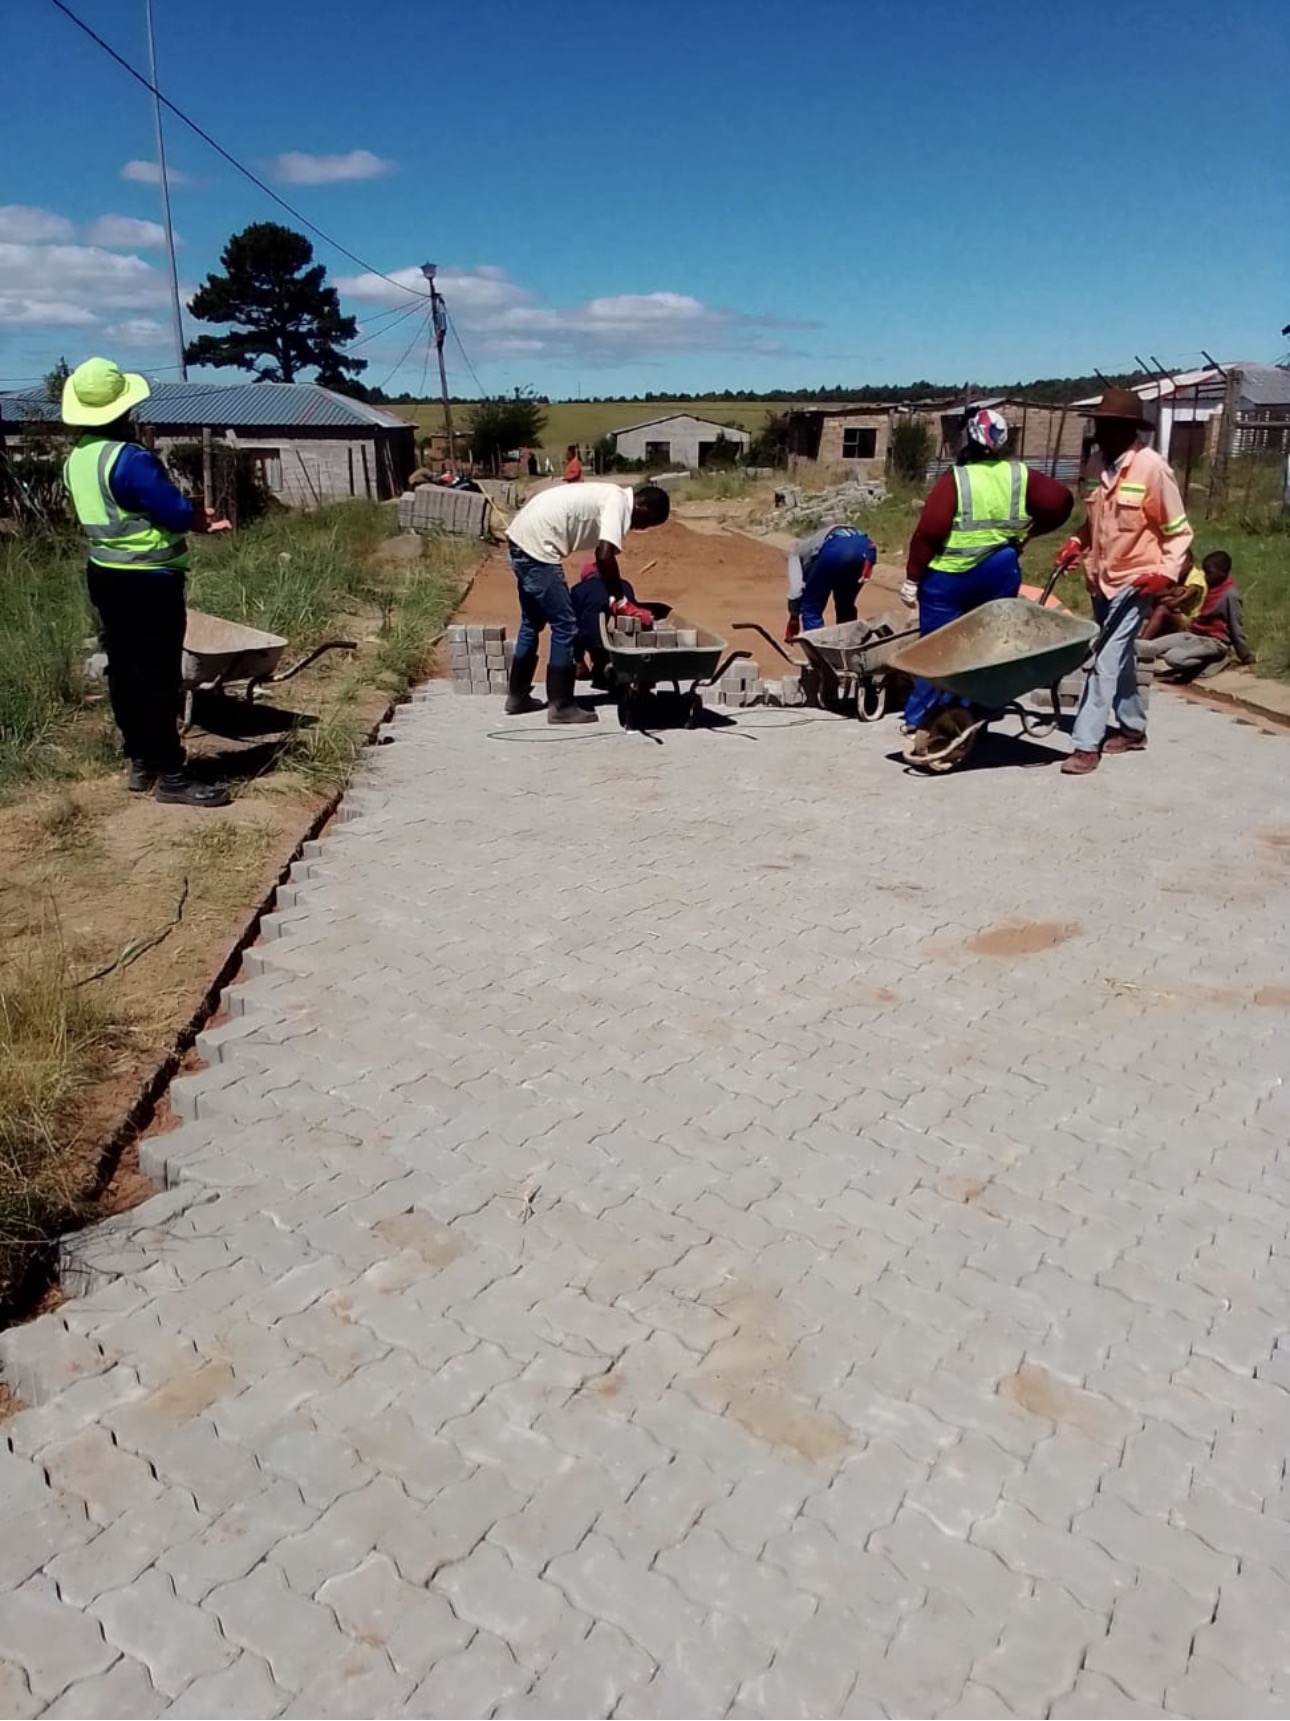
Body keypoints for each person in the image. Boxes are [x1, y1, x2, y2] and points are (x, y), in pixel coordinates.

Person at [61, 357, 229, 808]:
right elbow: (171, 511)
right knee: (156, 676)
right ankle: (173, 775)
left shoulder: (76, 460)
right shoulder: (129, 458)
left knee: (125, 671)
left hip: (105, 575)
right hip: (148, 581)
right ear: (123, 410)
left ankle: (141, 760)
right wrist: (196, 519)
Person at [901, 408, 1074, 733]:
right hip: (999, 572)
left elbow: (930, 532)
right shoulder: (1019, 476)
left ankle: (921, 718)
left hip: (950, 578)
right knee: (986, 642)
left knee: (936, 647)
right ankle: (977, 710)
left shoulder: (957, 478)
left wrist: (912, 577)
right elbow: (1061, 502)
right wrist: (1028, 534)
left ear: (967, 439)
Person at [1062, 388, 1193, 775]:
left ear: (1130, 429)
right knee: (1117, 659)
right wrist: (1075, 542)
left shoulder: (1152, 469)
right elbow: (1095, 522)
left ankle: (1086, 745)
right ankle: (1134, 728)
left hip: (1136, 582)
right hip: (1100, 580)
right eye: (1099, 424)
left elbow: (1179, 532)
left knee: (1104, 658)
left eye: (1109, 426)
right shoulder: (1097, 464)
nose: (1101, 431)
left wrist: (1164, 574)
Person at [503, 481, 671, 723]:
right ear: (642, 504)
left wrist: (615, 597)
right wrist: (623, 602)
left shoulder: (609, 496)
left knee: (532, 621)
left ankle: (517, 697)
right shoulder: (618, 502)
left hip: (521, 540)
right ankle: (561, 707)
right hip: (537, 549)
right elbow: (603, 555)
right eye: (648, 521)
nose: (643, 528)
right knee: (566, 625)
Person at [1138, 550, 1252, 679]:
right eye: (1204, 572)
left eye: (1209, 573)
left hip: (1215, 641)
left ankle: (1216, 660)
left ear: (1223, 572)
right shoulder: (1211, 588)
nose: (1205, 576)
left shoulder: (1230, 595)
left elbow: (1236, 628)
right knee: (1150, 647)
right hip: (1195, 634)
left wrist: (1245, 656)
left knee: (1173, 658)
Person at [786, 525, 876, 636]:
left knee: (811, 608)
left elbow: (795, 592)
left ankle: (818, 648)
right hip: (867, 549)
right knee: (845, 604)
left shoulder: (795, 555)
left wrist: (794, 619)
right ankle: (849, 643)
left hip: (836, 550)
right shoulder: (815, 542)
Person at [569, 560, 642, 684]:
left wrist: (579, 659)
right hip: (625, 641)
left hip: (594, 642)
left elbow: (572, 624)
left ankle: (585, 666)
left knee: (573, 624)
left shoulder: (579, 589)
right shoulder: (625, 585)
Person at [1139, 546, 1205, 641]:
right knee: (1145, 603)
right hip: (1175, 612)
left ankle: (1142, 642)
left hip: (1188, 619)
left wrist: (1166, 599)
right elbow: (1152, 592)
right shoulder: (1174, 575)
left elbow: (1175, 602)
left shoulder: (1196, 578)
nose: (1177, 567)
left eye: (1181, 564)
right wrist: (1171, 591)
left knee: (1161, 609)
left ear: (1190, 564)